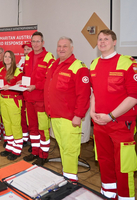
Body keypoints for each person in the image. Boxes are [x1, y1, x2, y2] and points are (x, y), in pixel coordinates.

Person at [90, 29, 137, 200]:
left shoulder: (127, 63)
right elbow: (94, 93)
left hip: (121, 124)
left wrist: (110, 116)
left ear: (114, 42)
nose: (102, 41)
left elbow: (133, 98)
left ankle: (126, 197)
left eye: (106, 39)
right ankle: (108, 194)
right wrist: (92, 112)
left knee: (123, 165)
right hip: (99, 123)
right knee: (104, 161)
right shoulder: (94, 63)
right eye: (99, 39)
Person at [44, 37, 90, 181]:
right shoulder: (54, 65)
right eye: (59, 46)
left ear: (72, 48)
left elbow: (84, 95)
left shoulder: (79, 67)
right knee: (62, 148)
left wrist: (78, 115)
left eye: (65, 46)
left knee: (70, 150)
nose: (61, 49)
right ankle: (66, 176)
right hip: (55, 115)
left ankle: (71, 180)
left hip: (69, 118)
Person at [22, 31, 55, 166]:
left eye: (38, 41)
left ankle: (43, 155)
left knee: (43, 129)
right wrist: (21, 82)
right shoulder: (28, 56)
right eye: (33, 41)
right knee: (33, 128)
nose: (35, 44)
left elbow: (50, 80)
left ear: (43, 43)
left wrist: (35, 86)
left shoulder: (49, 57)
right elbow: (26, 74)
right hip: (29, 99)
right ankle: (35, 151)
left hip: (41, 100)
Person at [0, 50, 23, 160]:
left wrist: (13, 85)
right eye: (5, 56)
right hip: (3, 99)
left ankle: (17, 149)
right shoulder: (1, 70)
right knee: (6, 124)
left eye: (9, 57)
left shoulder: (17, 71)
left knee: (15, 125)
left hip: (13, 100)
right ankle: (9, 146)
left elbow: (21, 84)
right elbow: (0, 83)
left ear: (13, 59)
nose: (7, 58)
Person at [20, 42, 33, 147]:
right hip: (22, 94)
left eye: (28, 49)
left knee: (33, 121)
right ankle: (25, 139)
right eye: (25, 50)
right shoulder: (21, 61)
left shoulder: (34, 61)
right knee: (23, 118)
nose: (26, 52)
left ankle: (34, 143)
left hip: (32, 95)